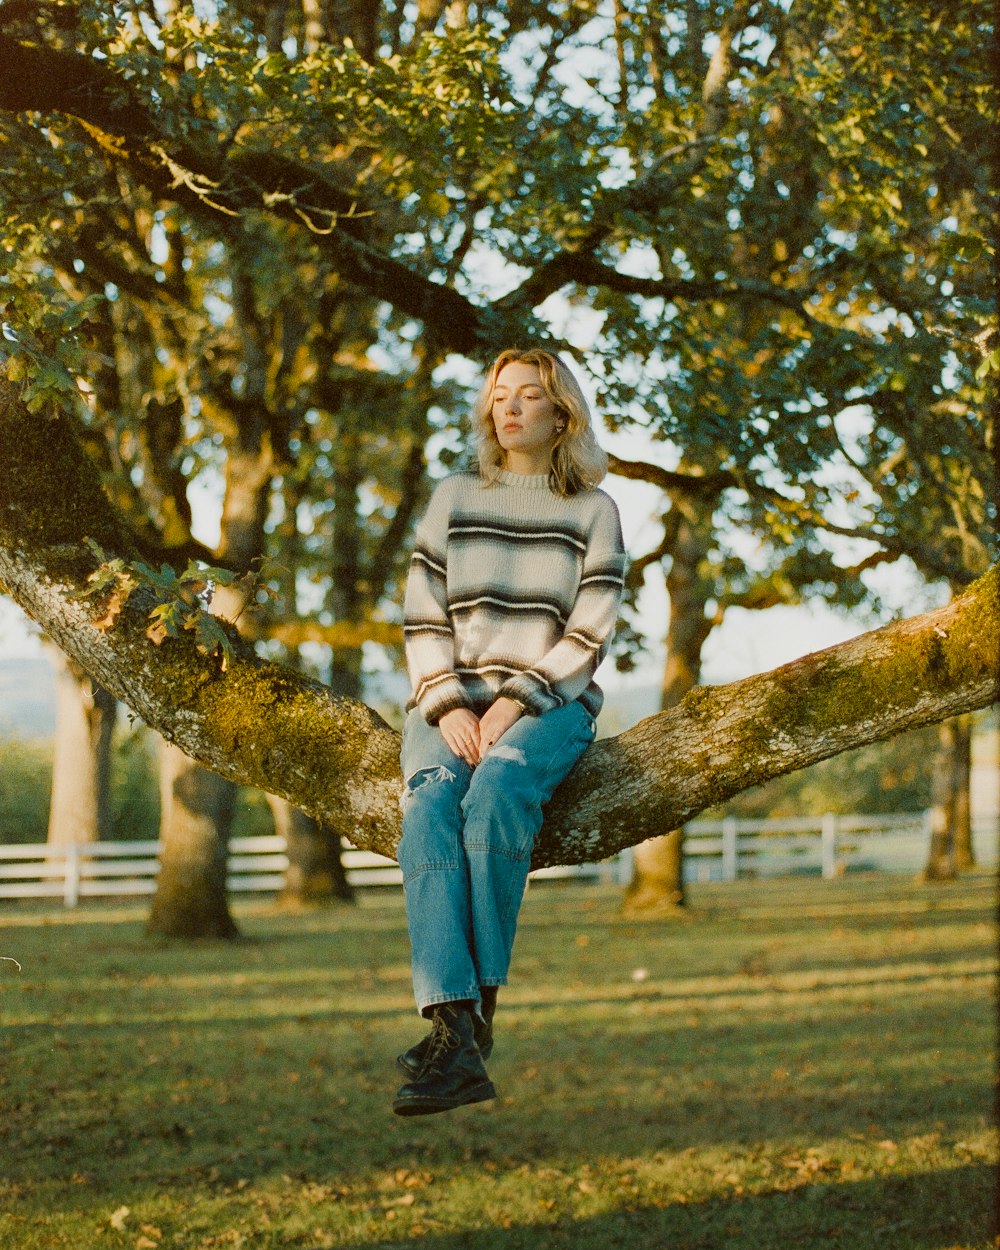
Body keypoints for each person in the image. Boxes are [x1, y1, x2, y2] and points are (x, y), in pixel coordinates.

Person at [392, 347, 626, 1116]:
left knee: (495, 795)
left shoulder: (594, 510)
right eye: (500, 396)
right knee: (428, 806)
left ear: (562, 412)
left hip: (551, 706)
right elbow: (423, 614)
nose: (511, 408)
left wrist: (515, 701)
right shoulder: (454, 497)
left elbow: (590, 632)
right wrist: (450, 703)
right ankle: (455, 1025)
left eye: (530, 396)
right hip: (449, 702)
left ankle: (467, 1022)